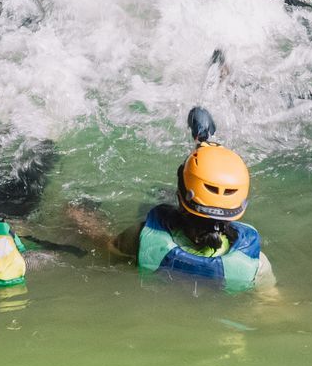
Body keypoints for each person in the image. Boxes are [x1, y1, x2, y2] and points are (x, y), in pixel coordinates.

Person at [72, 109, 276, 295]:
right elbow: (271, 301)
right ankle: (204, 141)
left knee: (158, 198)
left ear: (180, 198)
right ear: (238, 209)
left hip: (165, 246)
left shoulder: (140, 239)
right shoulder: (255, 265)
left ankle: (202, 142)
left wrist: (79, 216)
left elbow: (106, 246)